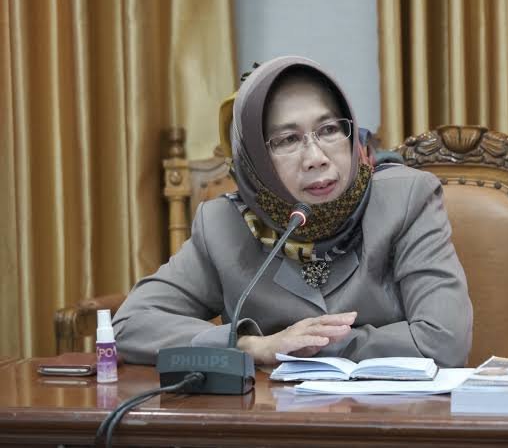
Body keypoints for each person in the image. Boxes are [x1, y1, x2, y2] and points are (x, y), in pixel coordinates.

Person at [112, 56, 472, 367]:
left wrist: (309, 347)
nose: (316, 158)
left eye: (329, 130)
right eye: (287, 140)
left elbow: (445, 342)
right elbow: (131, 324)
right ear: (255, 160)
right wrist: (254, 346)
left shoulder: (405, 200)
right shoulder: (225, 227)